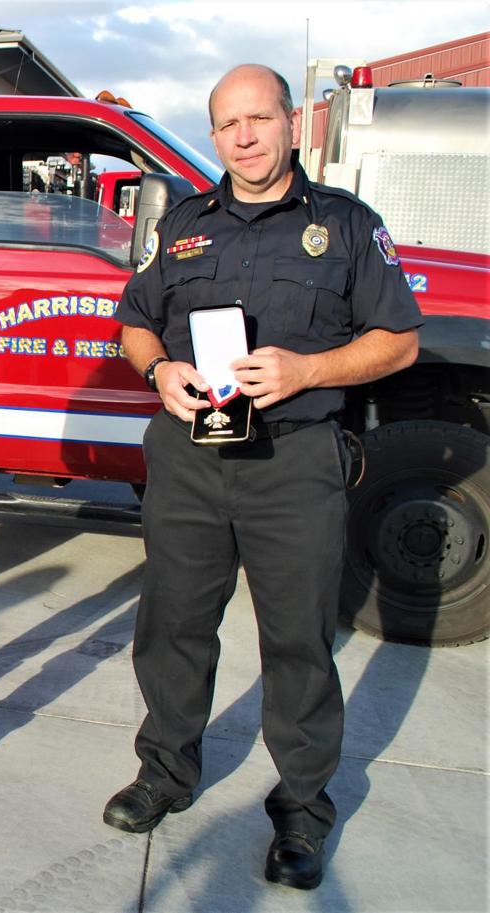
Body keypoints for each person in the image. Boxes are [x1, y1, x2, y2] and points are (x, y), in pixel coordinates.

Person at [106, 65, 422, 889]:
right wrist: (160, 370)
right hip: (189, 458)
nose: (243, 137)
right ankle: (165, 773)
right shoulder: (181, 226)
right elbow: (135, 320)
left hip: (295, 460)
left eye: (259, 119)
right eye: (227, 124)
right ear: (213, 135)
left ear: (291, 124)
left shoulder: (346, 227)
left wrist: (308, 369)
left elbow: (399, 339)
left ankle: (302, 814)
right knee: (172, 625)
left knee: (297, 642)